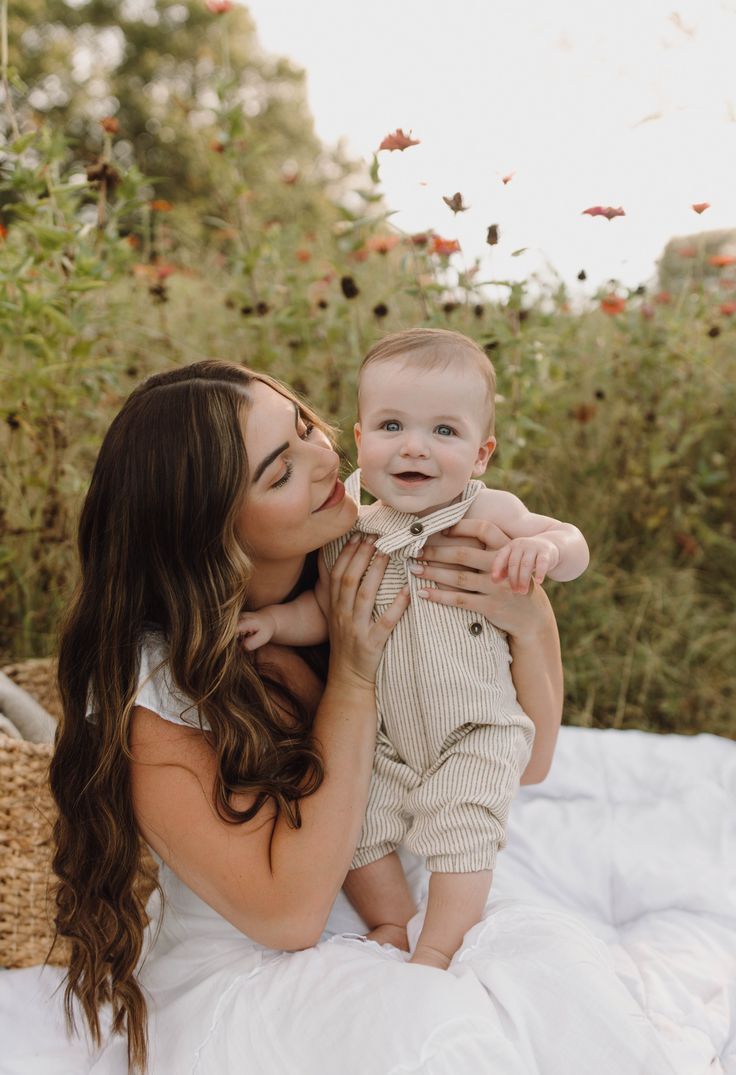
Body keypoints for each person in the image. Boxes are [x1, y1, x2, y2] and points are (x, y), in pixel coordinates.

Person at [48, 359, 571, 1074]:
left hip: (425, 919)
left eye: (305, 427)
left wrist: (528, 620)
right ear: (210, 531)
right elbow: (288, 915)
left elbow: (530, 759)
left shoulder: (366, 550)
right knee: (438, 1043)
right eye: (279, 472)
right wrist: (351, 677)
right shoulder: (157, 687)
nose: (328, 459)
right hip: (264, 972)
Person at [238, 328, 589, 970]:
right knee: (356, 825)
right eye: (393, 425)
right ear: (362, 438)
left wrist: (547, 550)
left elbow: (570, 542)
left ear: (481, 454)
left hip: (475, 728)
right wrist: (277, 624)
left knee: (464, 829)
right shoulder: (349, 534)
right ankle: (393, 924)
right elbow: (328, 610)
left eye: (445, 433)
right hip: (387, 738)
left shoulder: (488, 508)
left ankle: (439, 948)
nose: (415, 447)